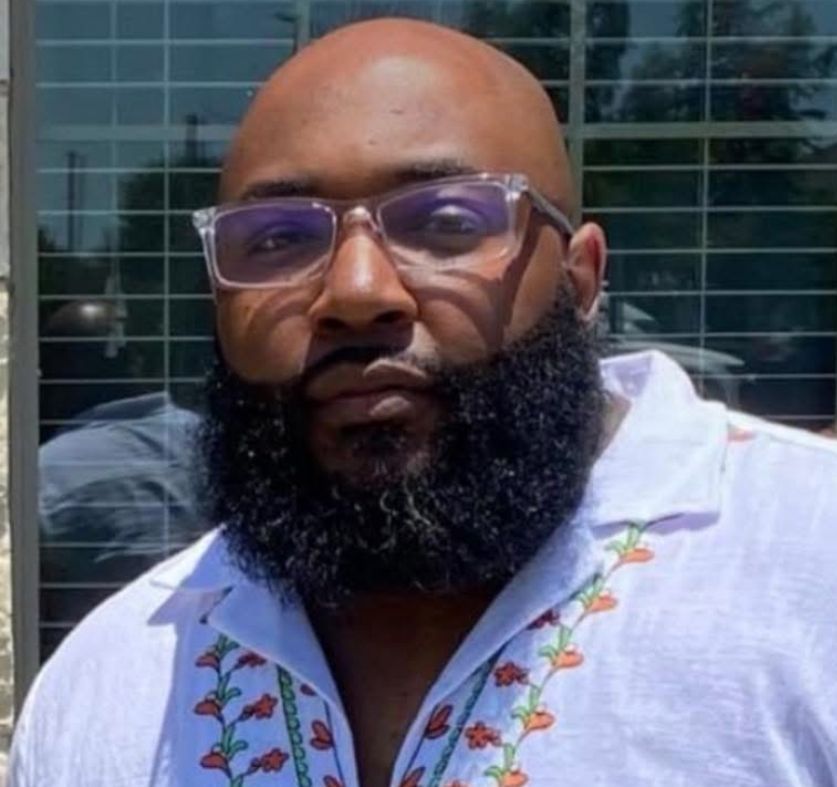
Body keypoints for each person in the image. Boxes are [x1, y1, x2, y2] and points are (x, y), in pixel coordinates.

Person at [10, 19, 837, 787]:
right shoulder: (112, 681)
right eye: (277, 239)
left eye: (444, 221)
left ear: (581, 277)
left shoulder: (806, 567)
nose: (356, 292)